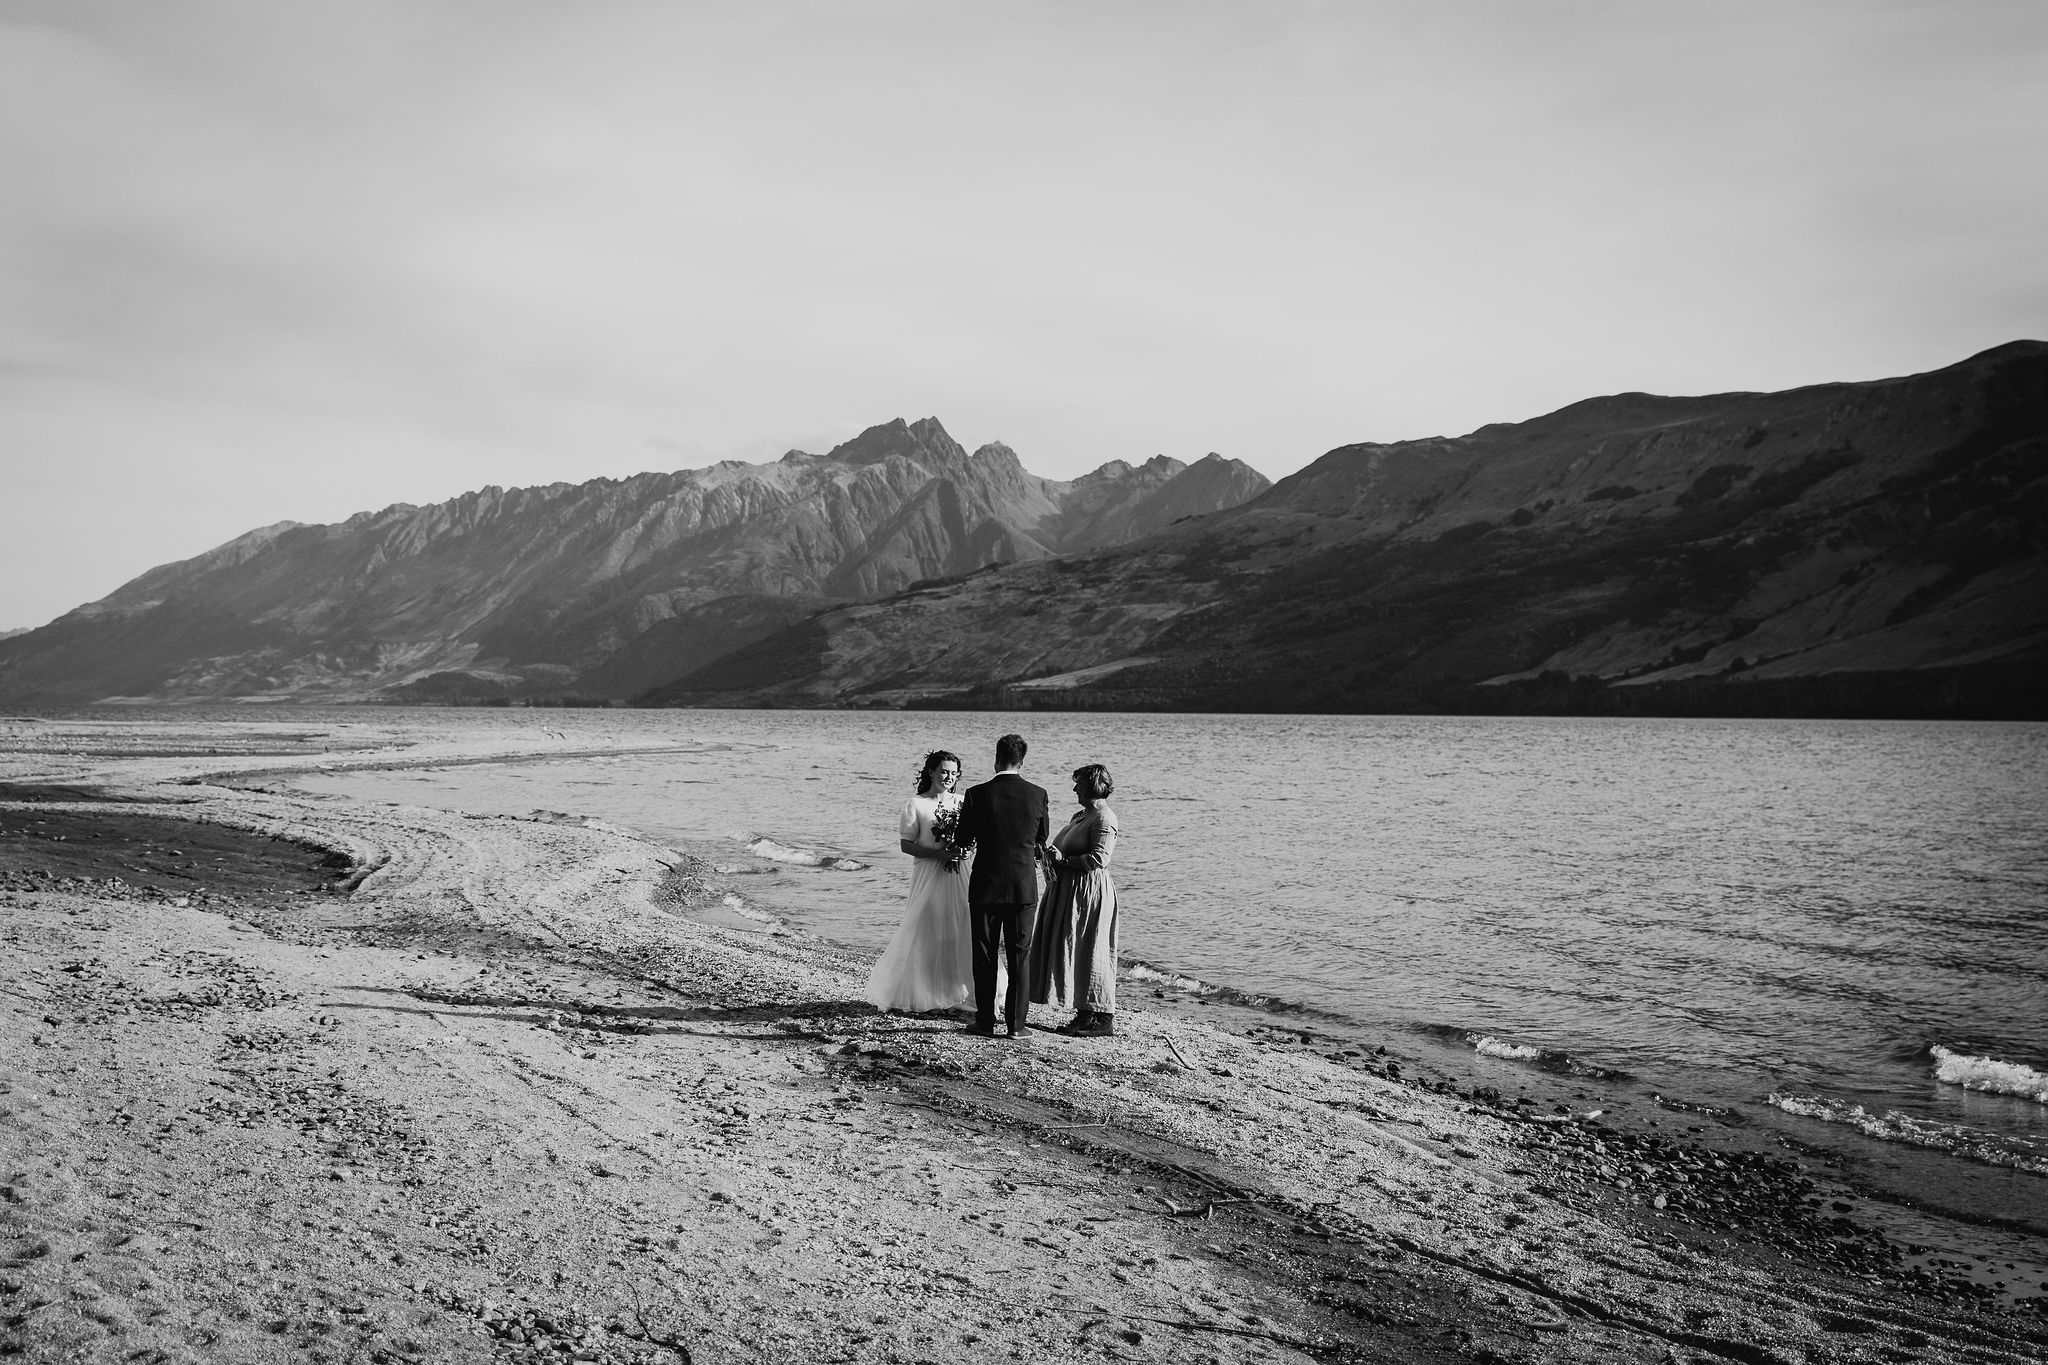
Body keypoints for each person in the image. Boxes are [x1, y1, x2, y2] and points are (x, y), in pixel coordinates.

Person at [951, 733, 1049, 1038]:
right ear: (1022, 760)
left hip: (986, 886)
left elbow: (963, 839)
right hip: (1022, 887)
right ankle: (1017, 1027)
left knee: (985, 955)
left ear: (996, 758)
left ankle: (984, 1022)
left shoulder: (976, 794)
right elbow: (1041, 839)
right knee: (1021, 955)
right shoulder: (1038, 794)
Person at [865, 750, 972, 1013]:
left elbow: (973, 837)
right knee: (930, 930)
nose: (949, 776)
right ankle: (928, 994)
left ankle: (963, 993)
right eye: (944, 771)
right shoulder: (916, 804)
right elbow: (906, 845)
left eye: (953, 772)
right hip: (930, 874)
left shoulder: (963, 801)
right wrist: (939, 854)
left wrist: (966, 850)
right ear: (931, 772)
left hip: (961, 873)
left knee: (964, 928)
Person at [1030, 763, 1121, 1037]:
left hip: (1089, 893)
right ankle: (1083, 1012)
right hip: (1070, 889)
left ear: (1092, 786)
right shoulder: (1081, 815)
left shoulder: (1104, 819)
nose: (1074, 789)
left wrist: (1065, 860)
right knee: (1077, 949)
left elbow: (1099, 859)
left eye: (1078, 784)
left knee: (1092, 949)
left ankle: (1101, 1018)